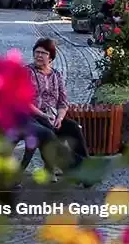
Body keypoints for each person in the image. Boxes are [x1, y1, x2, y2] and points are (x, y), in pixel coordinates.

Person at [21, 38, 88, 175]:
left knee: (73, 127)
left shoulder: (56, 75)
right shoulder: (27, 72)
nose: (39, 56)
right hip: (33, 116)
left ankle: (88, 167)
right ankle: (76, 169)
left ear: (50, 57)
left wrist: (60, 118)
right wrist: (44, 115)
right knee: (49, 131)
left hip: (52, 116)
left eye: (43, 53)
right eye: (37, 52)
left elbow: (63, 101)